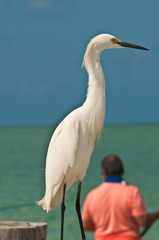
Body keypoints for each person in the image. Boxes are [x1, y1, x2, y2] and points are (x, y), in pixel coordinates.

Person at [82, 155, 159, 240]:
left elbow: (85, 225)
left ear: (103, 173)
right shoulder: (132, 191)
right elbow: (143, 221)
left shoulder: (92, 195)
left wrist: (103, 228)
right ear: (122, 171)